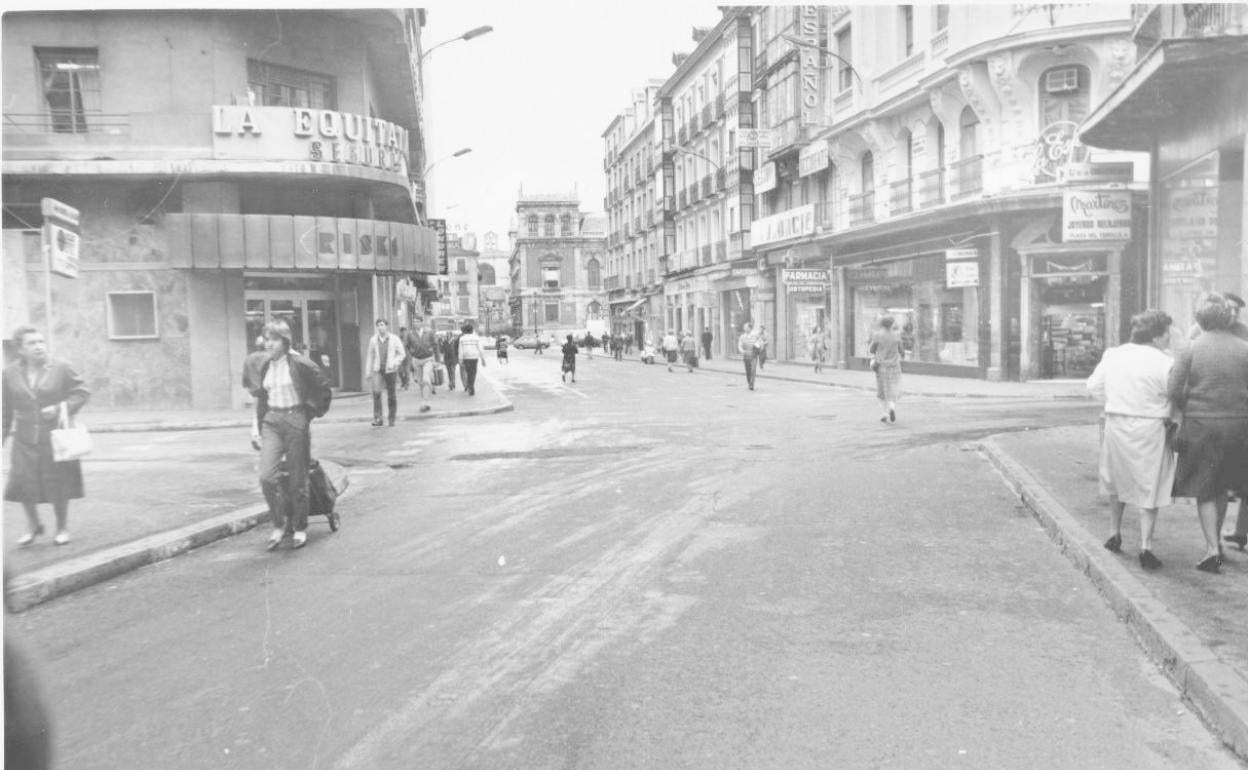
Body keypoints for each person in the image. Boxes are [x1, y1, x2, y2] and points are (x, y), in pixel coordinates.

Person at [1087, 310, 1176, 570]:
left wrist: (1112, 401)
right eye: (1167, 332)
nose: (1169, 337)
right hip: (1151, 427)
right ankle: (1146, 546)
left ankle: (1114, 533)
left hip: (1117, 422)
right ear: (1157, 335)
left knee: (1117, 480)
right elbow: (1173, 394)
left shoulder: (1113, 355)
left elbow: (1093, 387)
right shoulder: (1165, 361)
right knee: (1150, 485)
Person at [1168, 293, 1248, 573]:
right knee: (1224, 484)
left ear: (1199, 319)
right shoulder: (1244, 347)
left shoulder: (1189, 349)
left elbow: (1174, 389)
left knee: (1205, 488)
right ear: (1228, 318)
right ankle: (1219, 545)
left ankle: (1213, 549)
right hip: (1239, 426)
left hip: (1201, 426)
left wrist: (1185, 407)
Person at [2, 326, 89, 546]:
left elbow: (81, 392)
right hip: (24, 438)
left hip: (54, 437)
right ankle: (33, 525)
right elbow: (5, 410)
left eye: (41, 341)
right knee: (22, 483)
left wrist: (61, 408)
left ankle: (62, 528)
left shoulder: (60, 367)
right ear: (20, 349)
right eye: (32, 343)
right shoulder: (9, 373)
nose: (39, 346)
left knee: (58, 483)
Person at [252, 320, 332, 551]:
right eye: (267, 339)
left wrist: (309, 413)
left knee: (298, 479)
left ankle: (298, 527)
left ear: (285, 341)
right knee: (267, 476)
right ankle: (279, 523)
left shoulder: (300, 363)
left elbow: (323, 388)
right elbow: (261, 398)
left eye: (274, 339)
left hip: (295, 419)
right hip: (272, 422)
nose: (269, 344)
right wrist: (257, 427)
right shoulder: (266, 365)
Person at [365, 319, 405, 426]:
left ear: (386, 326)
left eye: (382, 325)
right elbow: (370, 356)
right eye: (378, 325)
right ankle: (378, 418)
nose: (380, 327)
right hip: (378, 370)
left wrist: (395, 363)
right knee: (376, 393)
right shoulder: (373, 340)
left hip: (390, 370)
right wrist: (368, 371)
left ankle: (392, 418)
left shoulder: (394, 339)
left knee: (391, 394)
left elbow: (402, 354)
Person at [403, 316, 440, 414]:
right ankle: (424, 401)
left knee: (426, 379)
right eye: (414, 321)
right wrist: (410, 355)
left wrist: (438, 360)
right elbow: (406, 346)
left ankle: (426, 402)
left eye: (417, 321)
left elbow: (436, 345)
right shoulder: (410, 334)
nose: (415, 323)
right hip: (416, 360)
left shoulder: (429, 332)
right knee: (420, 382)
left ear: (421, 322)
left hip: (428, 359)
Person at [870, 316, 903, 423]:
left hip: (881, 367)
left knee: (882, 391)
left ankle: (884, 413)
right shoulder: (896, 335)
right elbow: (901, 350)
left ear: (882, 324)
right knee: (892, 389)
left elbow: (872, 349)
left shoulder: (877, 335)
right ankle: (892, 407)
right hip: (894, 366)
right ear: (891, 324)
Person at [457, 322, 486, 396]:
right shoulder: (476, 338)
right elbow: (480, 349)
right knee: (473, 373)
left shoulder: (462, 338)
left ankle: (470, 386)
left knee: (468, 372)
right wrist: (483, 359)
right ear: (472, 330)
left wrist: (460, 360)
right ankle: (471, 386)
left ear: (465, 331)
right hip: (474, 358)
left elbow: (460, 350)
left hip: (466, 358)